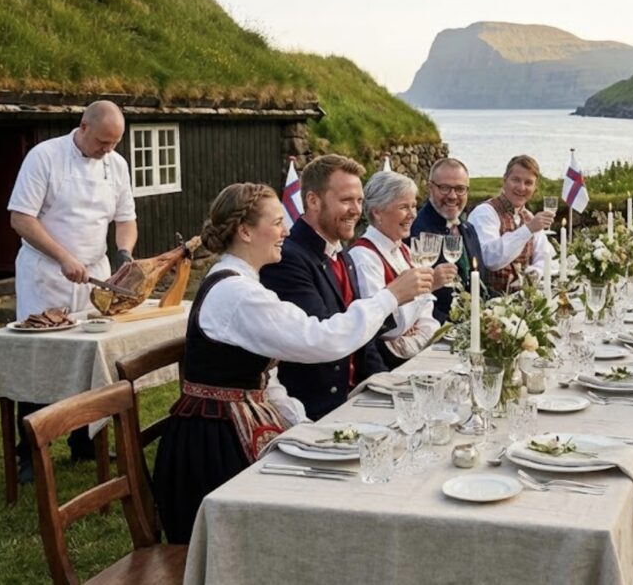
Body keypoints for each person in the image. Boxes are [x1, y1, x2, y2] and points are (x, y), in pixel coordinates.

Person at [153, 183, 433, 543]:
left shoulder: (241, 282)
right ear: (245, 231)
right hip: (213, 445)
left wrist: (300, 424)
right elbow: (320, 339)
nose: (286, 230)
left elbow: (264, 375)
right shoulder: (238, 293)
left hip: (231, 422)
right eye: (276, 222)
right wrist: (390, 297)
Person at [6, 100, 138, 481]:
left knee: (88, 357)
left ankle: (83, 442)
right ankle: (30, 452)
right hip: (46, 273)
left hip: (96, 274)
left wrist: (125, 253)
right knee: (40, 361)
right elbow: (21, 218)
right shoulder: (44, 157)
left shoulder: (117, 164)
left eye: (114, 143)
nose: (107, 151)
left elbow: (126, 219)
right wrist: (63, 257)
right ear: (82, 127)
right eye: (102, 142)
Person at [260, 154, 389, 420]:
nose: (356, 210)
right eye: (346, 200)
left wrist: (387, 387)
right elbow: (326, 340)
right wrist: (394, 295)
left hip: (357, 398)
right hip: (316, 412)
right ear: (313, 201)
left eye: (359, 200)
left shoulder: (341, 254)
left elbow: (365, 341)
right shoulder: (288, 259)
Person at [349, 171, 455, 368]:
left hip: (414, 357)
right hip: (387, 365)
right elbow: (385, 327)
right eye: (403, 207)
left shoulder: (404, 249)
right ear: (377, 212)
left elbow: (426, 314)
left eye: (414, 206)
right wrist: (427, 288)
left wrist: (417, 340)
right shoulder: (364, 257)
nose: (413, 214)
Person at [410, 158, 487, 323]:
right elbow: (412, 297)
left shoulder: (469, 229)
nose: (452, 196)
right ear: (430, 188)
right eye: (444, 188)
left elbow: (479, 282)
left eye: (460, 189)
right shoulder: (416, 230)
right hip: (437, 331)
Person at [467, 154, 556, 294]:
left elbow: (545, 257)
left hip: (524, 303)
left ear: (534, 188)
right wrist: (528, 230)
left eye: (528, 183)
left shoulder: (529, 216)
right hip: (488, 303)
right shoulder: (485, 213)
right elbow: (491, 259)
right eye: (516, 180)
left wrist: (533, 274)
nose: (521, 188)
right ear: (505, 180)